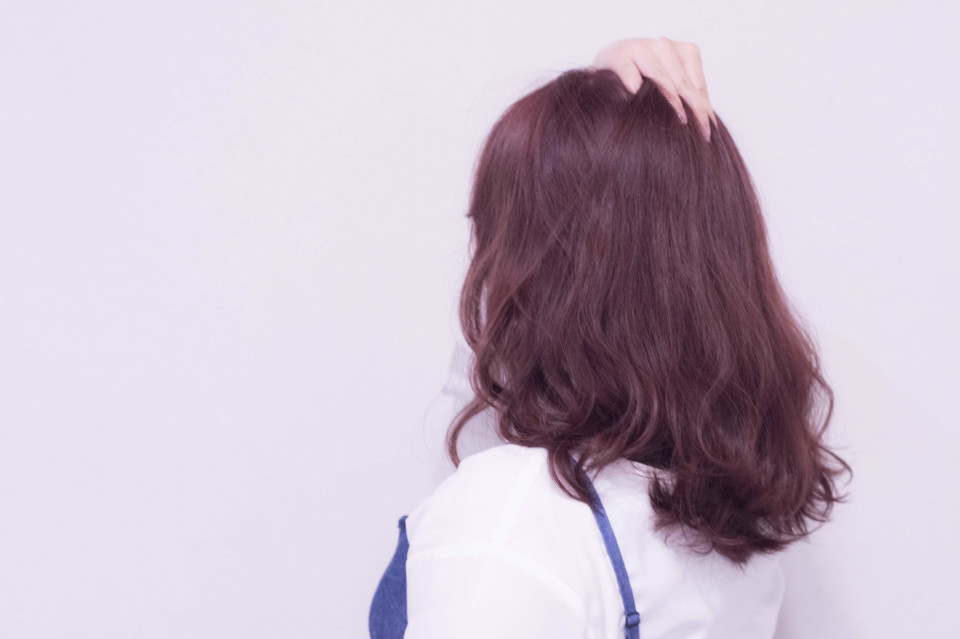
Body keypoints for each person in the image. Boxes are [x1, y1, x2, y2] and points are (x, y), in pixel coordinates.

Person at [369, 37, 853, 639]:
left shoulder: (509, 519)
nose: (486, 270)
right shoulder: (726, 533)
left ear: (541, 271)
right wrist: (604, 118)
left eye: (500, 237)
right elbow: (483, 416)